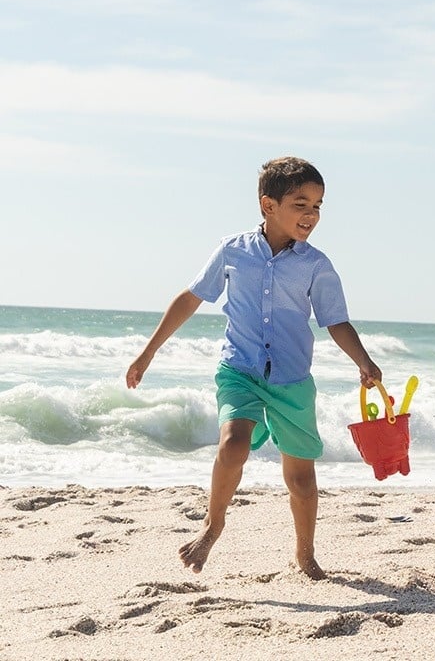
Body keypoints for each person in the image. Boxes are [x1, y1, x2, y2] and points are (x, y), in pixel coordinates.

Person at [126, 156, 384, 578]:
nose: (311, 215)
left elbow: (335, 320)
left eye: (318, 206)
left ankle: (305, 554)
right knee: (232, 446)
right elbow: (192, 297)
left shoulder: (315, 265)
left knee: (300, 478)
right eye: (301, 204)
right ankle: (213, 523)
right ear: (269, 205)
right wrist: (148, 351)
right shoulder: (233, 250)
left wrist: (364, 360)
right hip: (240, 368)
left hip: (291, 379)